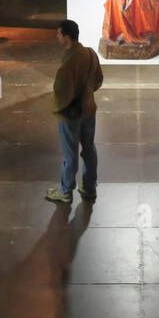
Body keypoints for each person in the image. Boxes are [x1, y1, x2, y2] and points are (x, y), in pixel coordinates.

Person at [45, 19, 105, 203]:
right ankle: (89, 187)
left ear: (67, 37)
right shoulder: (90, 53)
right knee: (89, 149)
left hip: (71, 115)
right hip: (89, 109)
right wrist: (87, 93)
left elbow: (61, 90)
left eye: (58, 34)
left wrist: (60, 107)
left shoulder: (68, 63)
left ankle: (65, 191)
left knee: (70, 155)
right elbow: (98, 80)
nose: (56, 37)